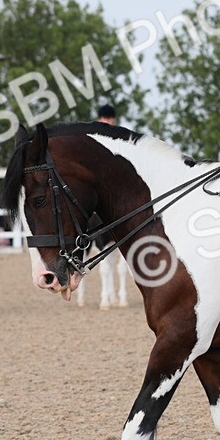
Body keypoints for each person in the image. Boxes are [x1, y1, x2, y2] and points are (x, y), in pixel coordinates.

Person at [93, 103, 130, 309]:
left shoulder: (119, 139)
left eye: (110, 118)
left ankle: (122, 293)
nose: (108, 121)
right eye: (105, 118)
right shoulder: (94, 140)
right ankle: (105, 294)